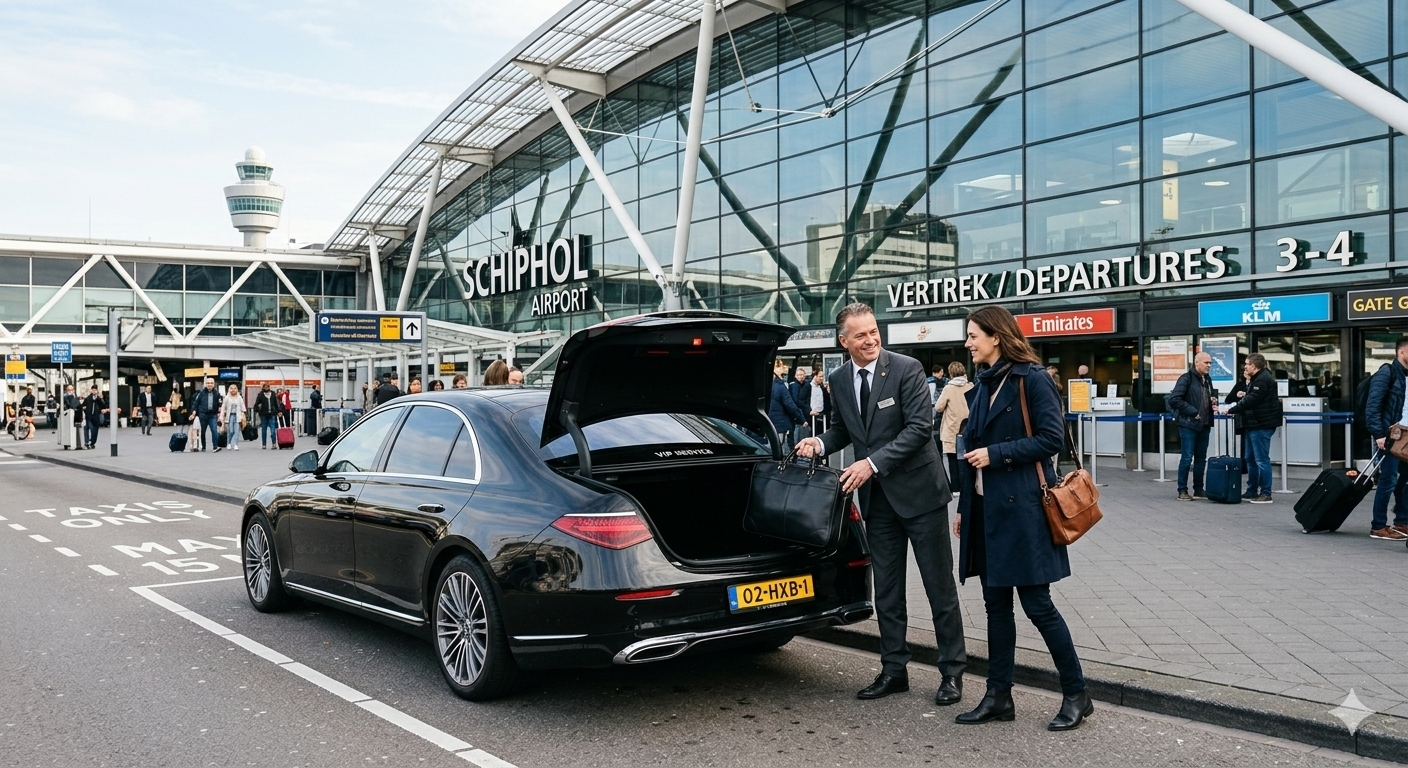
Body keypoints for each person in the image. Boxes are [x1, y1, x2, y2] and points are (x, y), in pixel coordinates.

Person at [795, 303, 966, 706]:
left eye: (874, 331)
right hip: (879, 503)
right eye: (861, 335)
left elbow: (919, 429)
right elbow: (843, 429)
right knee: (887, 591)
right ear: (844, 341)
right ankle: (894, 670)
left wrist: (870, 464)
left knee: (938, 586)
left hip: (921, 497)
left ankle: (952, 673)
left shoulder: (906, 368)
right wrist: (819, 443)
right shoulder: (837, 378)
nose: (871, 339)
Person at [954, 305, 1090, 731]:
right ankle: (998, 696)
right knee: (995, 605)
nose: (968, 343)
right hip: (985, 509)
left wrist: (996, 454)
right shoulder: (983, 383)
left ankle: (1076, 694)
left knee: (1038, 605)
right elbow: (968, 447)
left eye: (974, 335)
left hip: (1025, 511)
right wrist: (963, 507)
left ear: (996, 336)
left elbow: (1051, 440)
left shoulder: (1032, 379)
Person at [1220, 353, 1281, 504]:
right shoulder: (1257, 379)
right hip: (1253, 424)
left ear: (1254, 366)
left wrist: (1231, 409)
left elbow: (1252, 400)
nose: (1245, 367)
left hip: (1261, 424)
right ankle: (1251, 490)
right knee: (1250, 459)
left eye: (1247, 364)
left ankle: (1266, 493)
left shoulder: (1262, 379)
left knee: (1261, 460)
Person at [1364, 337, 1408, 540]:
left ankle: (1402, 521)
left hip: (1406, 437)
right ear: (1402, 352)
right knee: (1388, 480)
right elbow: (1373, 406)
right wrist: (1379, 434)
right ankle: (1378, 526)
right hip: (1390, 436)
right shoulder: (1387, 373)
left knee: (1405, 480)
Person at [1167, 352, 1217, 501]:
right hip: (1188, 424)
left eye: (1210, 363)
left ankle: (1199, 489)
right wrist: (1193, 412)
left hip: (1204, 424)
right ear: (1197, 363)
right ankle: (1182, 490)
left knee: (1201, 458)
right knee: (1187, 458)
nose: (1209, 365)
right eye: (1206, 363)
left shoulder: (1207, 380)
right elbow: (1174, 399)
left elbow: (1207, 396)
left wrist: (1212, 400)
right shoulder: (1186, 378)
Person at [934, 362, 973, 489]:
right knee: (968, 458)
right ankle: (968, 485)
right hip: (968, 427)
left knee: (952, 460)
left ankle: (956, 488)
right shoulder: (971, 386)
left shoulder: (948, 388)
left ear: (951, 373)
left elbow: (939, 407)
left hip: (951, 429)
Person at [768, 363, 805, 444]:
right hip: (779, 424)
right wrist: (802, 419)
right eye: (783, 375)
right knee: (778, 448)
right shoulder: (780, 387)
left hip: (768, 424)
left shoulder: (766, 387)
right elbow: (790, 405)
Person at [190, 377, 222, 452]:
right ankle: (203, 446)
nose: (209, 384)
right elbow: (196, 403)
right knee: (202, 431)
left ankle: (215, 446)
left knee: (214, 430)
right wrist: (193, 412)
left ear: (214, 384)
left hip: (213, 415)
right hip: (203, 415)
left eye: (211, 383)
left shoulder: (217, 393)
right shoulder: (201, 393)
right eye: (208, 383)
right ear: (205, 384)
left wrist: (220, 411)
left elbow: (220, 403)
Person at [788, 366, 811, 443]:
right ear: (795, 376)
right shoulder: (793, 385)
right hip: (797, 413)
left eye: (802, 375)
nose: (800, 377)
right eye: (798, 375)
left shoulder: (807, 385)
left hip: (805, 413)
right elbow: (796, 401)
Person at [81, 385, 107, 450]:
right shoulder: (88, 398)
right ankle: (88, 442)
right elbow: (83, 406)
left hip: (96, 416)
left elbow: (103, 406)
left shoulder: (98, 399)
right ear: (91, 390)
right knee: (91, 429)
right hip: (89, 416)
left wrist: (100, 399)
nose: (94, 391)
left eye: (95, 390)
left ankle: (92, 442)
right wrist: (85, 410)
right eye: (93, 390)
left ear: (97, 391)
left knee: (95, 431)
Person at [221, 384, 245, 451]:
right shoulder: (227, 397)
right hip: (230, 416)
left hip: (237, 415)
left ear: (237, 389)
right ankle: (229, 443)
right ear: (229, 389)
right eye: (231, 388)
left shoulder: (239, 397)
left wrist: (243, 413)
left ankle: (236, 444)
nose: (233, 389)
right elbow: (223, 406)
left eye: (235, 388)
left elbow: (243, 406)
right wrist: (222, 414)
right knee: (230, 431)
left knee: (236, 431)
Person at [254, 383, 278, 449]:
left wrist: (279, 411)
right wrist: (257, 409)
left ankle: (274, 444)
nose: (266, 388)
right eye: (265, 387)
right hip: (263, 415)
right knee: (264, 430)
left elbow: (276, 403)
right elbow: (256, 404)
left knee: (273, 430)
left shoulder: (273, 394)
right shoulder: (260, 395)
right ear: (263, 387)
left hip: (272, 414)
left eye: (267, 386)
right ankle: (264, 444)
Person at [808, 369, 828, 436]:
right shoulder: (808, 386)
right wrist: (809, 410)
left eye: (822, 376)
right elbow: (802, 401)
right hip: (811, 415)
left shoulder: (822, 387)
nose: (821, 378)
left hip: (821, 413)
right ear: (815, 376)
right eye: (820, 376)